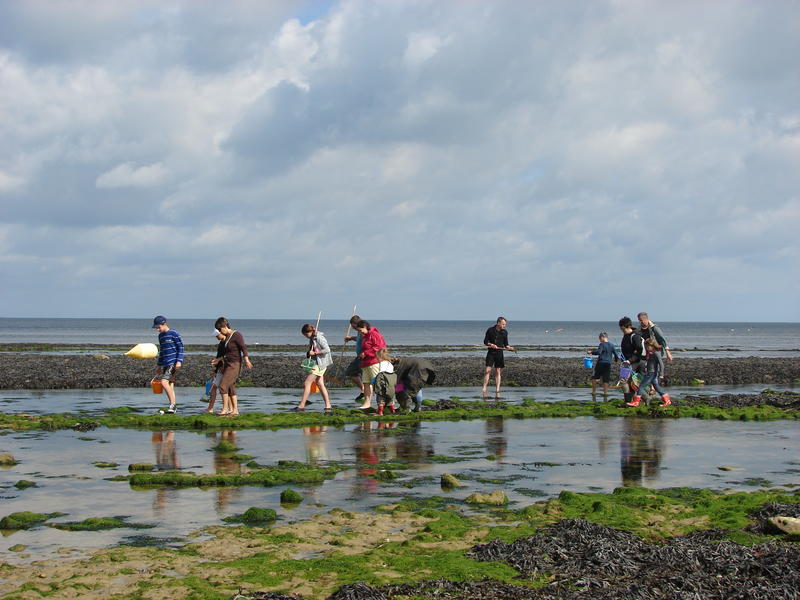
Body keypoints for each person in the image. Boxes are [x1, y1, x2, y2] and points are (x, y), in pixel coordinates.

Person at [211, 317, 252, 417]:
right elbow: (229, 353)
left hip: (234, 365)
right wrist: (219, 360)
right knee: (230, 387)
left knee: (222, 386)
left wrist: (246, 360)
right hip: (227, 364)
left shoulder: (236, 335)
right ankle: (235, 410)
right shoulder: (227, 337)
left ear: (225, 326)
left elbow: (243, 347)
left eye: (220, 330)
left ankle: (225, 409)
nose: (220, 332)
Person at [294, 323, 334, 413]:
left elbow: (327, 349)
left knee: (307, 382)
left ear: (311, 331)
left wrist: (315, 353)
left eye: (306, 334)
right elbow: (311, 351)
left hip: (321, 364)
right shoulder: (312, 338)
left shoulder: (319, 337)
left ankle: (301, 405)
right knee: (320, 384)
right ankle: (328, 405)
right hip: (316, 363)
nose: (306, 336)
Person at [152, 315, 184, 414]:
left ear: (164, 324)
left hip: (173, 363)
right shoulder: (160, 336)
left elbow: (181, 348)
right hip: (165, 363)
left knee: (164, 382)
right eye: (156, 328)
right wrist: (158, 366)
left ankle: (173, 406)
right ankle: (172, 406)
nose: (157, 329)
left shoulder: (174, 334)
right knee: (170, 384)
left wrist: (179, 361)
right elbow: (162, 352)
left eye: (158, 327)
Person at [626, 338, 672, 407]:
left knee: (641, 386)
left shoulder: (656, 354)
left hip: (652, 373)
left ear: (653, 346)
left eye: (648, 346)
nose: (647, 348)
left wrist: (661, 374)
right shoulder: (650, 353)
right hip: (650, 373)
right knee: (657, 387)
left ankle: (636, 402)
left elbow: (661, 364)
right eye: (646, 346)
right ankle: (667, 400)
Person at [355, 320, 387, 410]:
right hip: (365, 363)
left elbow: (379, 347)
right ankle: (367, 403)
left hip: (374, 362)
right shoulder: (365, 336)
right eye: (358, 331)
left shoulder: (374, 334)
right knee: (366, 383)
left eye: (360, 330)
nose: (360, 332)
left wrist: (365, 353)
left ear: (365, 327)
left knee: (378, 383)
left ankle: (383, 403)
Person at [482, 317, 514, 398]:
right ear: (498, 323)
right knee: (487, 370)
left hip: (499, 353)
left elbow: (506, 344)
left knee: (498, 371)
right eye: (503, 324)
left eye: (505, 324)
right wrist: (491, 345)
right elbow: (485, 341)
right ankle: (484, 387)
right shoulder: (490, 330)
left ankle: (497, 389)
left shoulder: (505, 332)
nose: (504, 326)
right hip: (491, 352)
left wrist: (509, 347)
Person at [586, 332, 621, 400]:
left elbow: (599, 352)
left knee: (594, 377)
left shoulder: (602, 344)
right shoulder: (612, 345)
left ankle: (594, 392)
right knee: (606, 379)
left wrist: (591, 352)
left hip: (601, 363)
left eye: (600, 338)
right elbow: (616, 355)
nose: (599, 340)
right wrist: (616, 360)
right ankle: (605, 393)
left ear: (602, 337)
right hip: (608, 364)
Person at [343, 314, 366, 404]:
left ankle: (367, 393)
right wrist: (351, 338)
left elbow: (366, 341)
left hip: (363, 357)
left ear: (355, 324)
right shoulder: (358, 331)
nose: (352, 327)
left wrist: (364, 353)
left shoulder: (362, 331)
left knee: (366, 376)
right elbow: (359, 339)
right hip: (359, 357)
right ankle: (363, 390)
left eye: (352, 325)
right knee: (351, 373)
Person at [205, 329, 226, 414]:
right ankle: (210, 408)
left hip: (227, 369)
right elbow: (218, 356)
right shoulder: (221, 343)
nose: (216, 336)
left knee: (224, 389)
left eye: (217, 335)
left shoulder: (227, 343)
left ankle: (227, 408)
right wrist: (215, 370)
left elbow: (228, 356)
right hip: (220, 369)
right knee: (213, 388)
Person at [374, 348, 398, 416]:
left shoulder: (381, 364)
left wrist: (374, 383)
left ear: (380, 357)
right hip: (391, 383)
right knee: (390, 398)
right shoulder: (390, 364)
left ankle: (380, 412)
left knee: (380, 397)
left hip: (383, 382)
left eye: (377, 357)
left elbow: (380, 374)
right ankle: (392, 410)